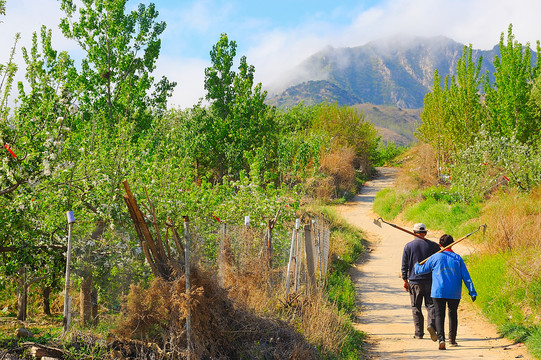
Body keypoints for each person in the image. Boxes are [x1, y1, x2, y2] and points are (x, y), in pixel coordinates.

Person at [414, 234, 477, 350]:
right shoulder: (457, 258)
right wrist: (472, 291)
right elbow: (466, 276)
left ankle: (441, 339)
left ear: (440, 245)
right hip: (454, 291)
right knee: (453, 314)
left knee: (439, 315)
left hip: (439, 291)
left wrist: (417, 266)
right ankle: (452, 340)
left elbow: (421, 270)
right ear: (452, 244)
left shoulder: (435, 257)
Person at [401, 223, 441, 341]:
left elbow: (405, 265)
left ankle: (419, 333)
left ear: (414, 233)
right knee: (431, 305)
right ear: (426, 233)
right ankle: (431, 325)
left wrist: (405, 279)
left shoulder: (408, 246)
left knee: (416, 307)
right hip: (430, 280)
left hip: (414, 281)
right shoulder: (434, 246)